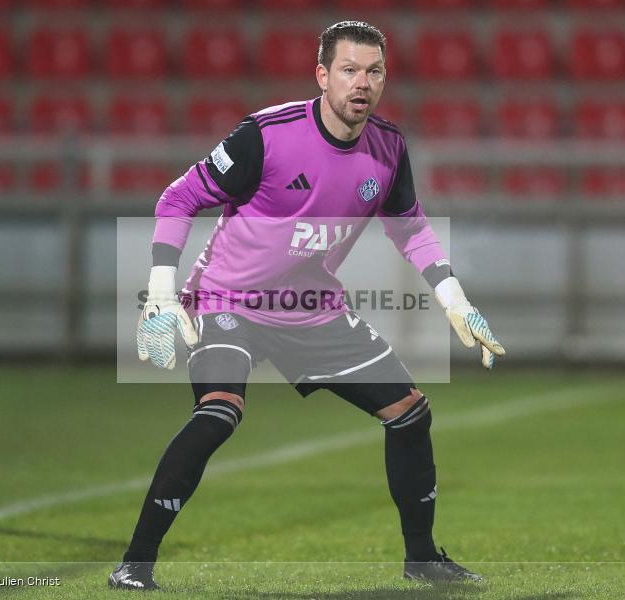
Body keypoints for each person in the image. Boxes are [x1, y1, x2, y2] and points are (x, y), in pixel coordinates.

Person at [109, 21, 505, 591]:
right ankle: (136, 562)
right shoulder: (265, 137)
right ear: (322, 76)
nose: (360, 84)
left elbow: (410, 228)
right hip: (229, 300)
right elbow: (178, 198)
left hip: (309, 307)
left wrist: (454, 298)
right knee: (219, 413)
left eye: (373, 72)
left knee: (411, 414)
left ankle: (422, 559)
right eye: (348, 70)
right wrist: (163, 291)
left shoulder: (388, 149)